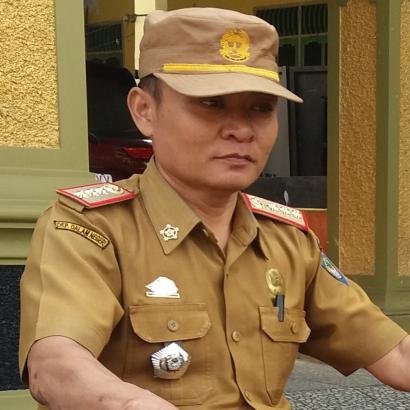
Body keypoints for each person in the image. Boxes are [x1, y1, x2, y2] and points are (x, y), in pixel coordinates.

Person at [19, 7, 410, 410]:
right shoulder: (92, 230)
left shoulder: (287, 240)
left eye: (261, 108)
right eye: (210, 103)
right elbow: (55, 366)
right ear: (144, 110)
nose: (241, 130)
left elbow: (396, 354)